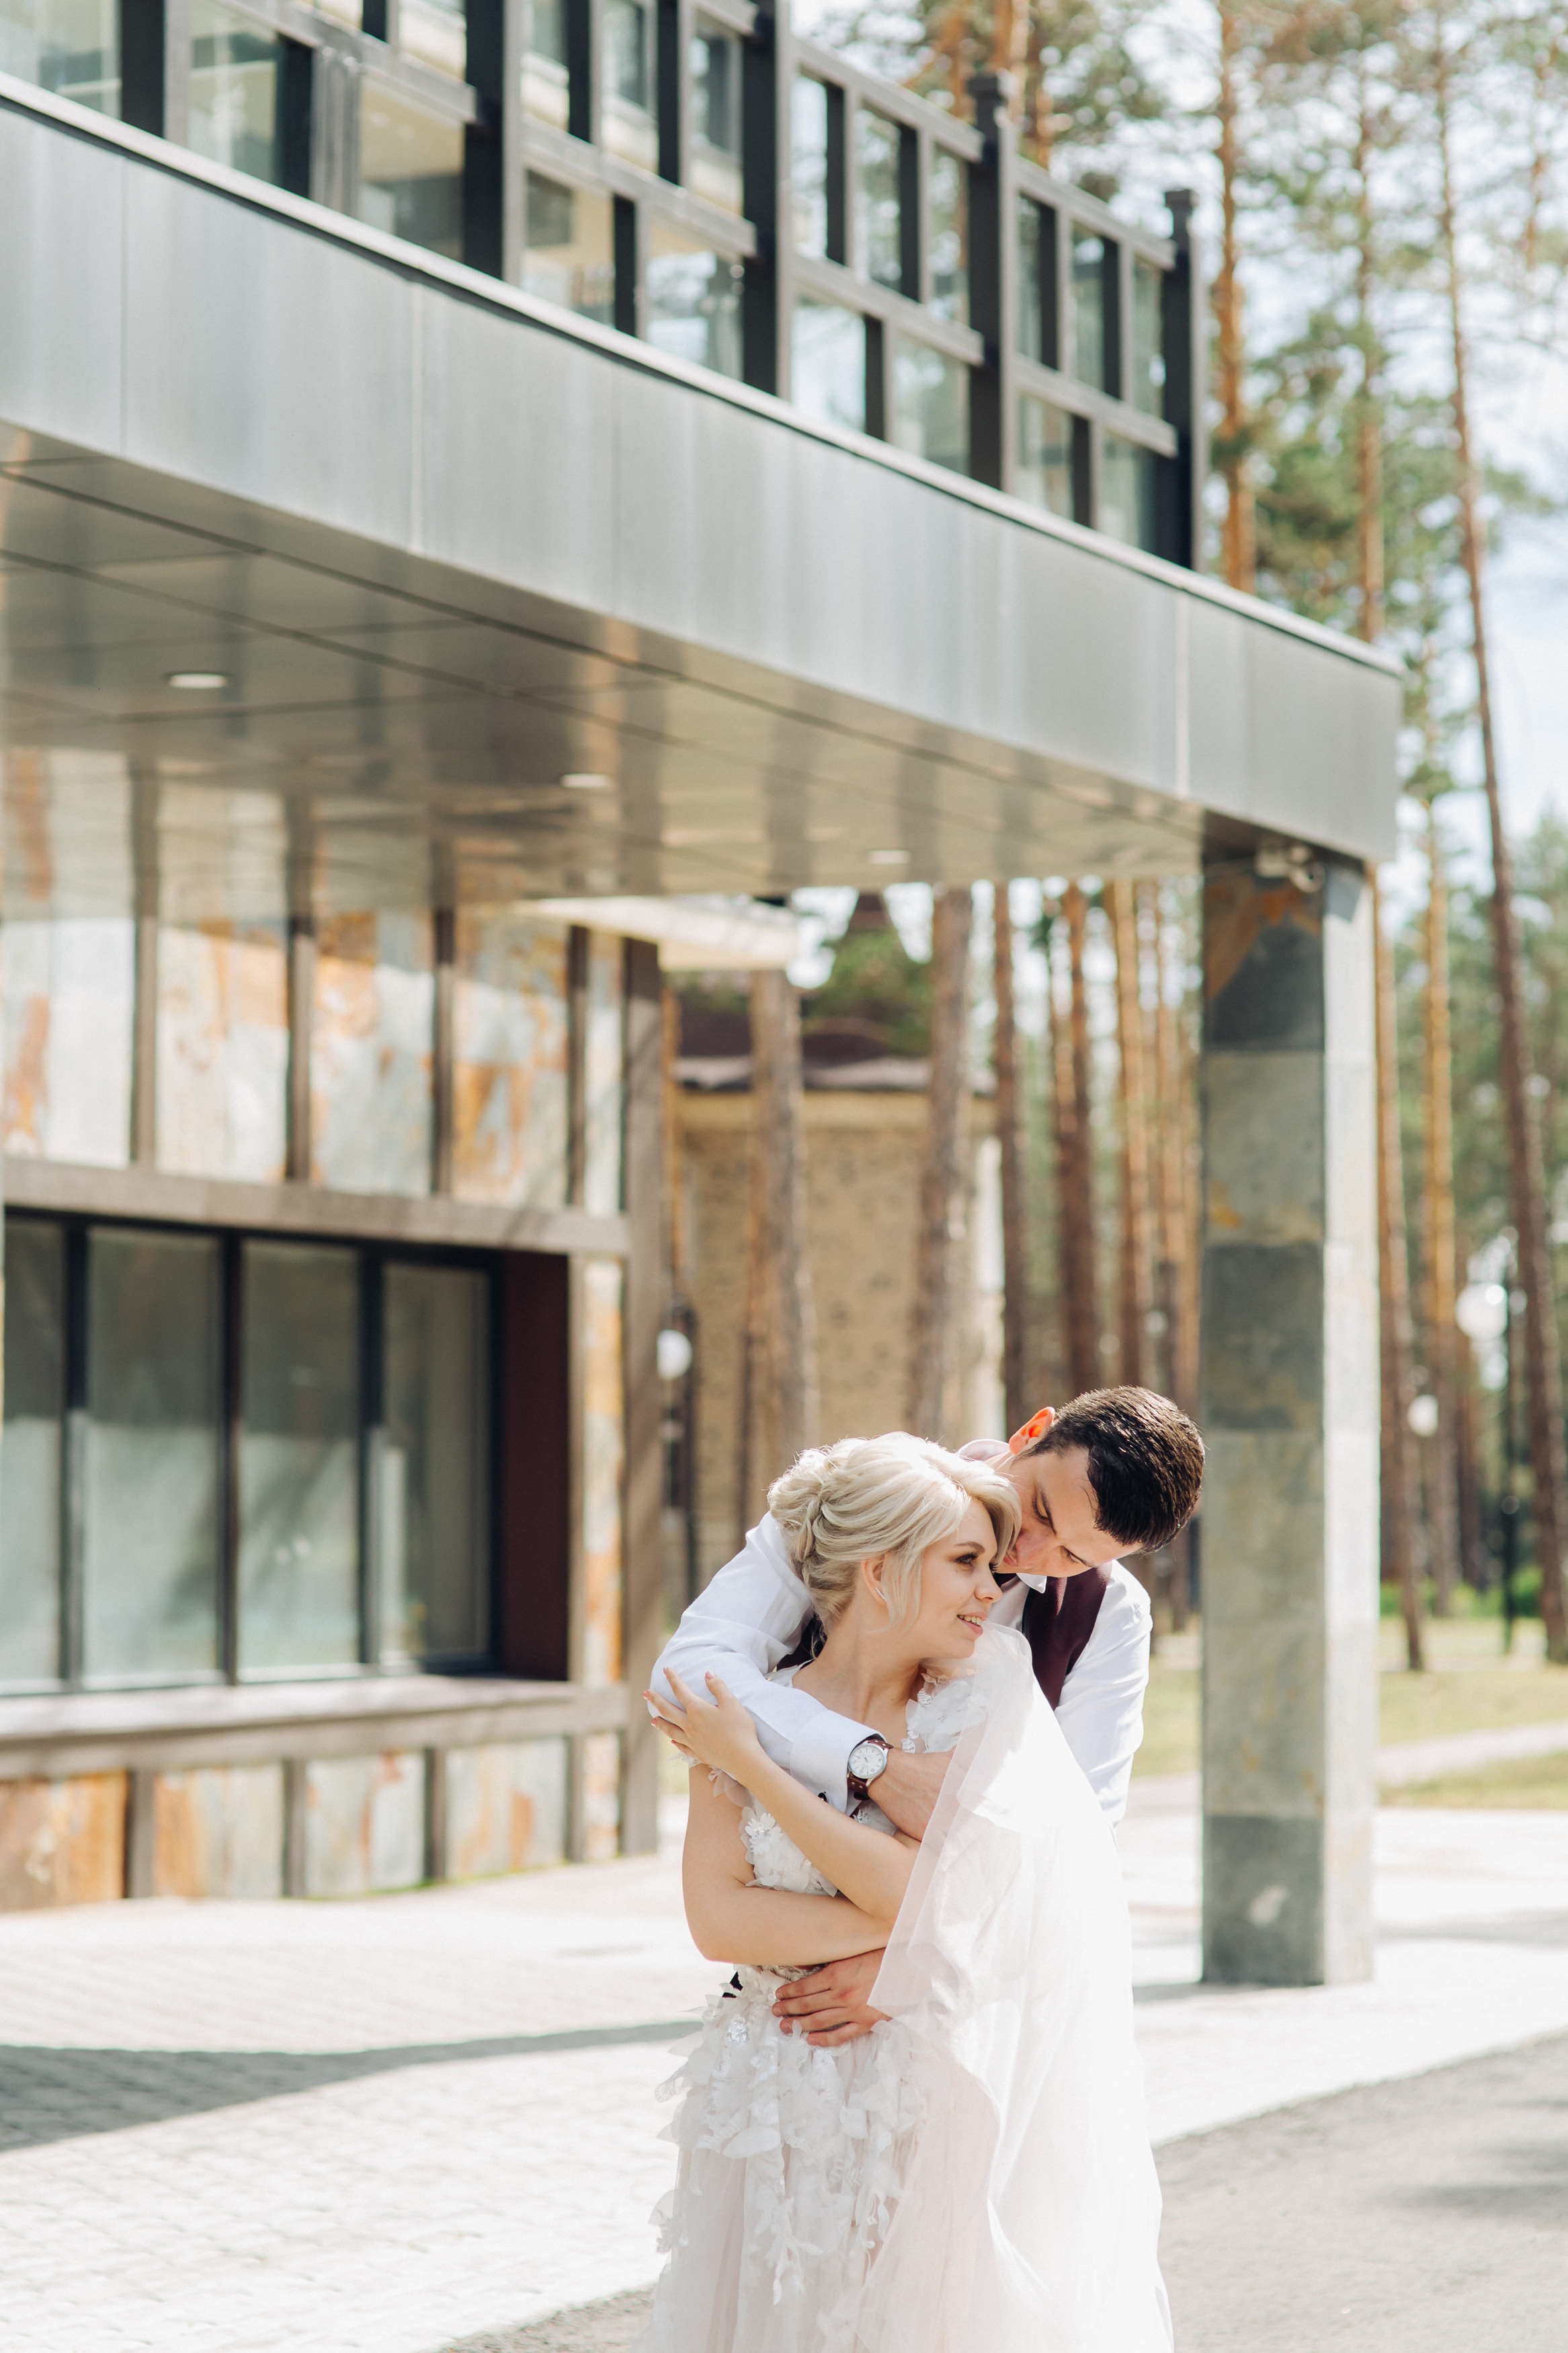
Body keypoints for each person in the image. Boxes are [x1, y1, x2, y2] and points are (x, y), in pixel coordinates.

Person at [636, 1435, 1171, 2353]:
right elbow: (719, 1912)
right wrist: (861, 1774)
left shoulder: (1023, 1674)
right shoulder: (855, 1520)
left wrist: (905, 1952)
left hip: (929, 2050)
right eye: (1037, 1515)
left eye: (1073, 1556)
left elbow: (1056, 1862)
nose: (1019, 1565)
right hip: (763, 2078)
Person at [650, 1386, 1203, 2048]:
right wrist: (866, 1761)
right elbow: (686, 1678)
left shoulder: (1105, 1615)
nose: (1027, 1552)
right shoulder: (856, 1503)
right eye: (1039, 1509)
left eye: (1072, 1557)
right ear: (1031, 1431)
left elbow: (1075, 1844)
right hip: (775, 2010)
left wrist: (913, 1968)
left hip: (941, 2019)